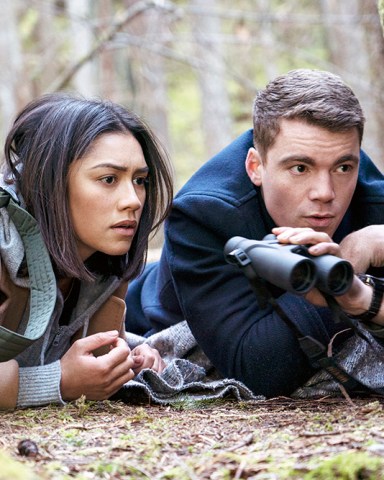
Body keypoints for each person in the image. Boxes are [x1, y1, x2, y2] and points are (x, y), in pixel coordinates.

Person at [125, 69, 384, 398]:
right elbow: (258, 370)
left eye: (343, 167)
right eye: (300, 168)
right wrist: (342, 268)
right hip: (159, 303)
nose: (325, 192)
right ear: (255, 167)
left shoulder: (375, 203)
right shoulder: (204, 215)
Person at [0, 93, 173, 409]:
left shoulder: (102, 259)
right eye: (109, 179)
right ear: (50, 181)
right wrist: (59, 382)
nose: (133, 200)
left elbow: (63, 341)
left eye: (140, 180)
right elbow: (58, 370)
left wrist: (130, 355)